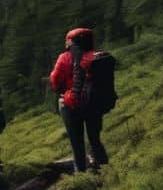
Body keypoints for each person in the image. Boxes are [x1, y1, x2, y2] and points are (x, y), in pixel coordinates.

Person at [49, 27, 116, 173]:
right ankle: (106, 172)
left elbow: (55, 80)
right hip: (93, 103)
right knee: (95, 140)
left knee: (77, 144)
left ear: (71, 42)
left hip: (71, 104)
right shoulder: (97, 56)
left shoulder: (65, 58)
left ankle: (81, 175)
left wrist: (63, 91)